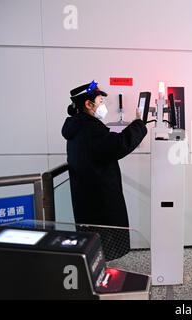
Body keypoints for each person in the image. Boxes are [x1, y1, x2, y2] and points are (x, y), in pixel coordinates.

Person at [61, 81, 148, 260]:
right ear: (88, 104)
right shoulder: (89, 128)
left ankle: (99, 274)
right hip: (99, 202)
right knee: (104, 245)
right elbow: (118, 145)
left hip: (88, 198)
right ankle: (102, 279)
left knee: (95, 246)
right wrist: (139, 124)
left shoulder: (77, 126)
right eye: (100, 101)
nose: (103, 106)